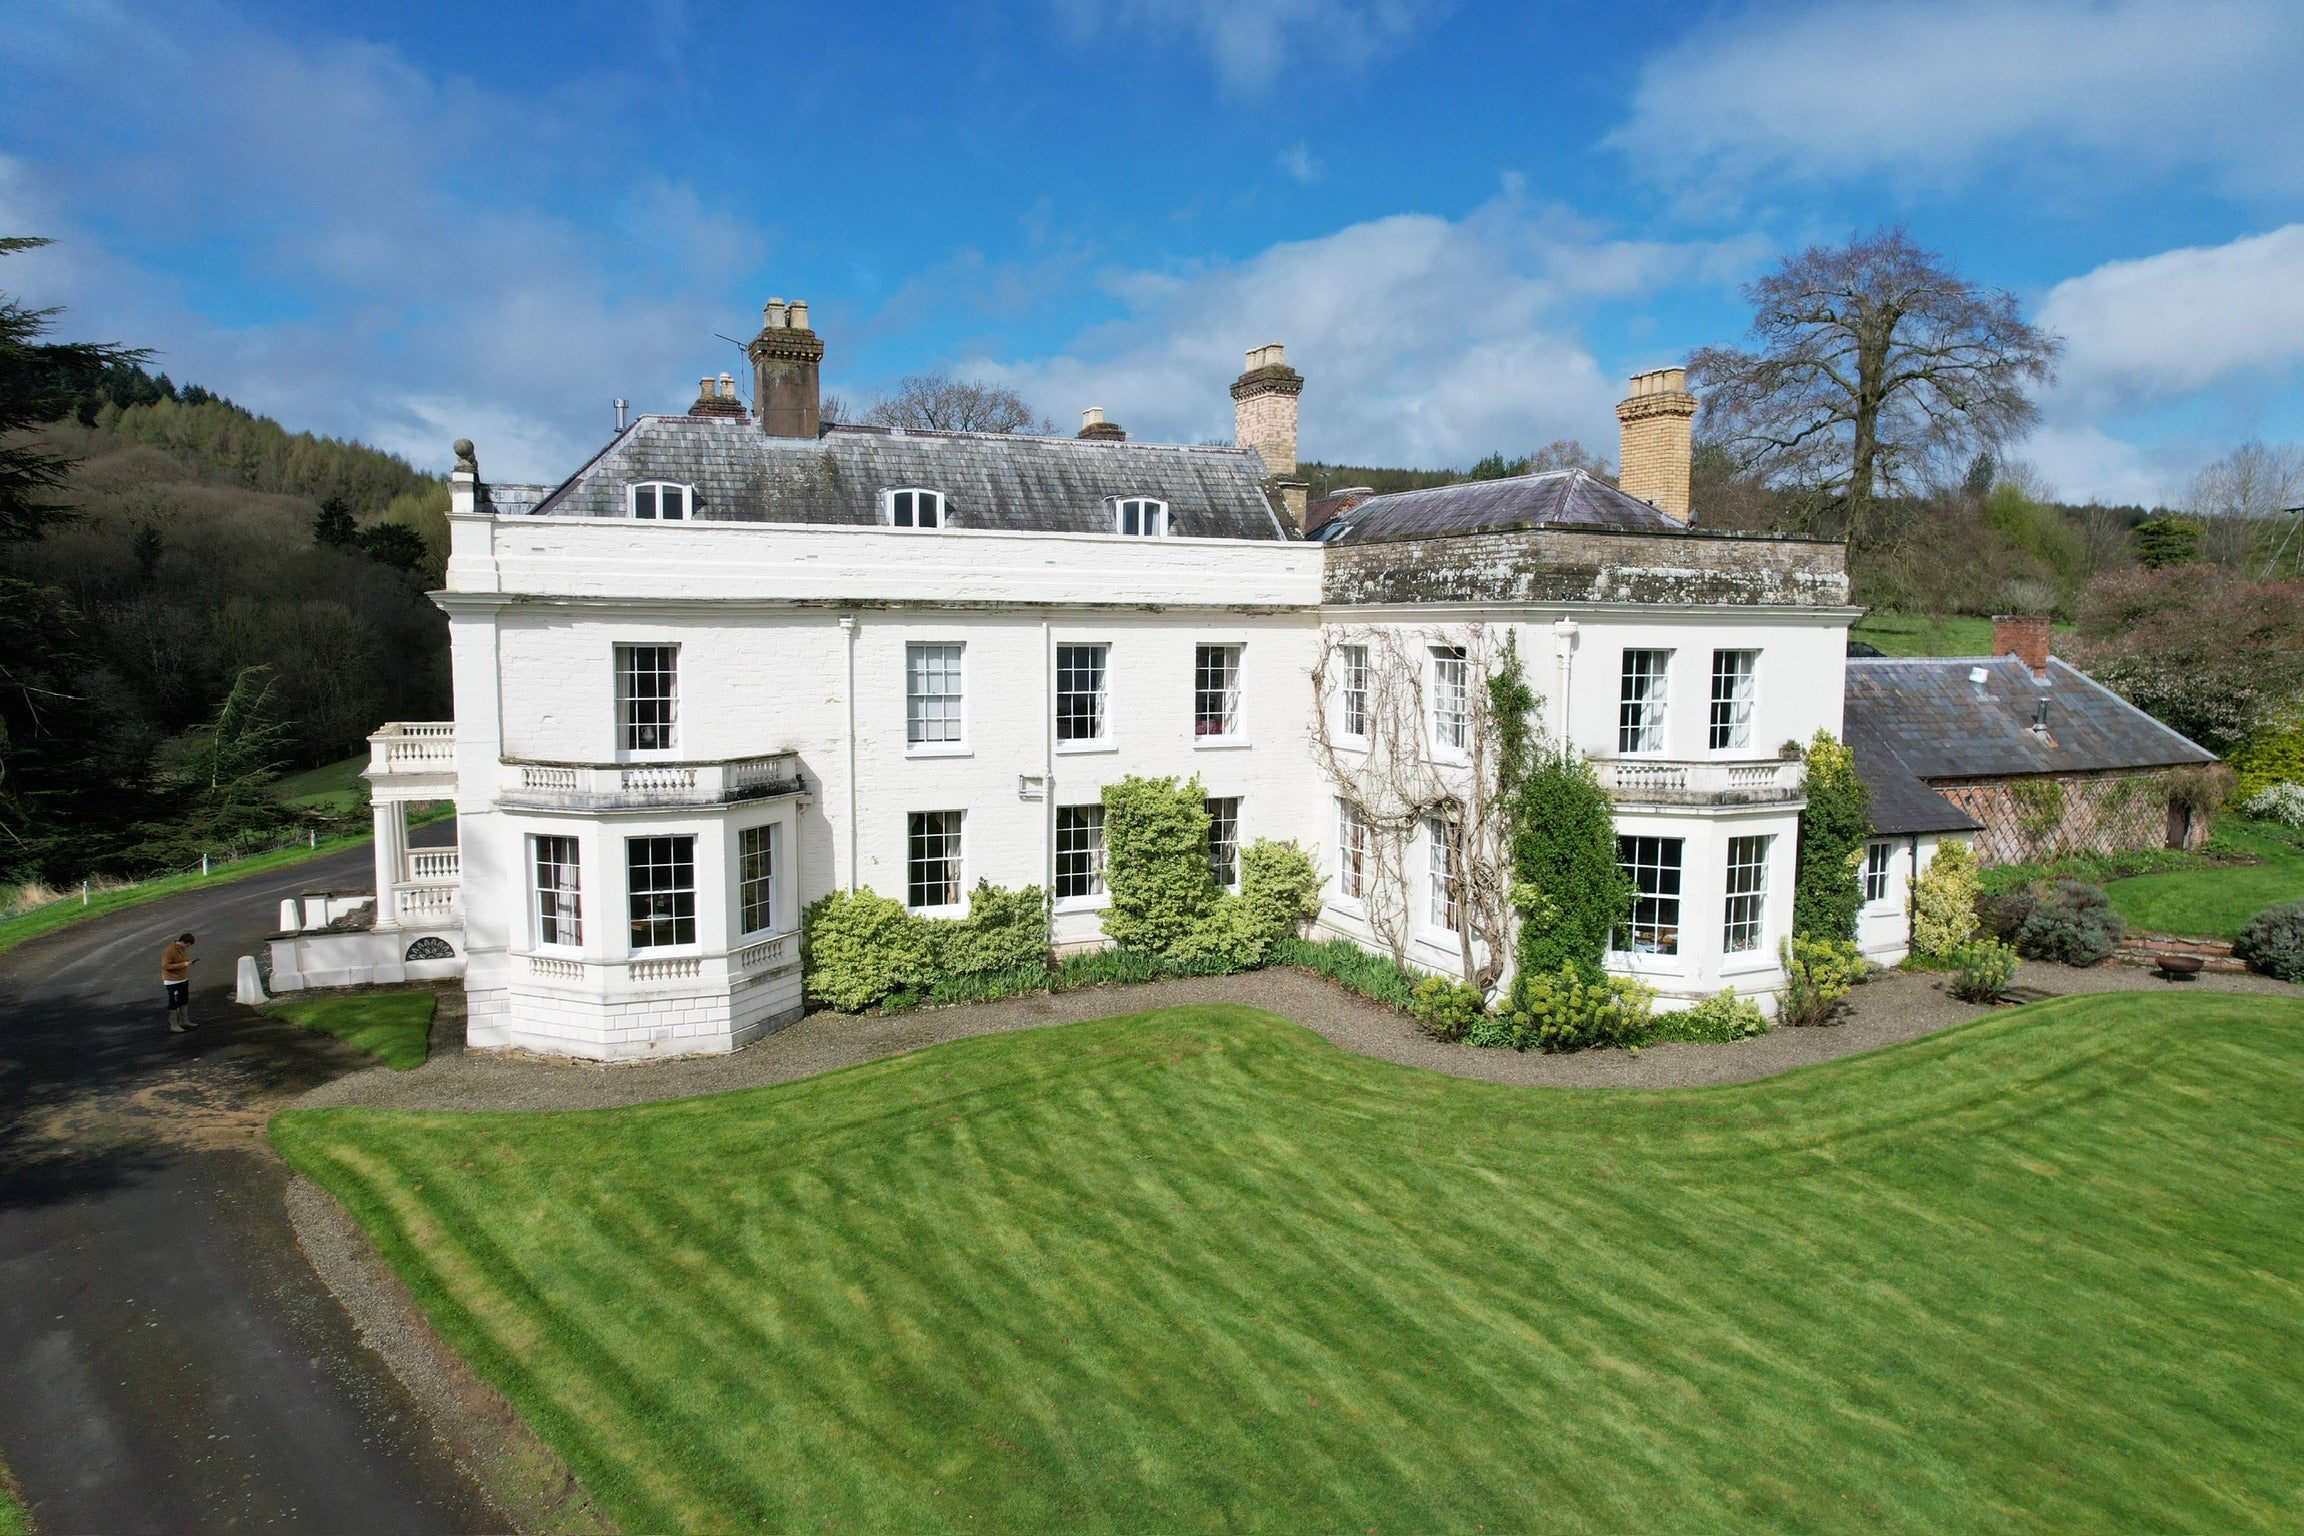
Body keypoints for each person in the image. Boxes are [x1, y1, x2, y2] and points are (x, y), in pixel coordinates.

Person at [162, 932, 198, 1033]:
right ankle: (173, 1025)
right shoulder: (169, 950)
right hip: (172, 981)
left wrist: (187, 963)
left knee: (183, 1000)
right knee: (174, 1002)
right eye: (187, 945)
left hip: (182, 979)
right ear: (183, 942)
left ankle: (184, 1021)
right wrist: (184, 964)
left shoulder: (182, 949)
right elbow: (166, 966)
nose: (187, 947)